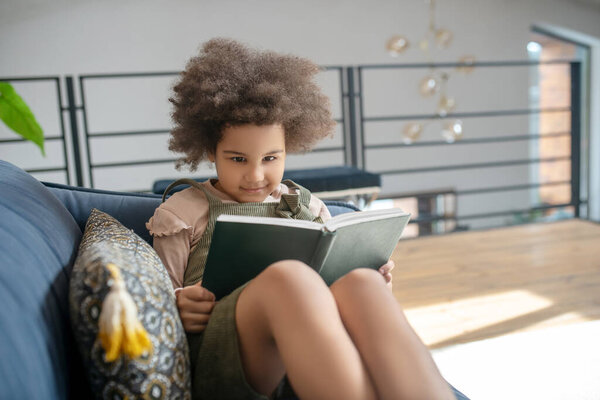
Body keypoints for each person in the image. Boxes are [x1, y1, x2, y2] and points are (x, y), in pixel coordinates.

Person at [147, 38, 455, 400]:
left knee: (362, 284)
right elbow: (155, 309)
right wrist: (180, 304)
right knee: (288, 278)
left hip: (309, 350)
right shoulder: (181, 214)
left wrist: (378, 276)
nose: (256, 176)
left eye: (271, 158)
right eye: (237, 159)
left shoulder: (308, 206)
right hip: (226, 357)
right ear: (210, 151)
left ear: (289, 148)